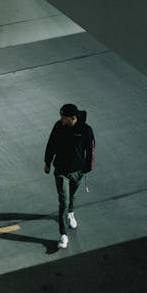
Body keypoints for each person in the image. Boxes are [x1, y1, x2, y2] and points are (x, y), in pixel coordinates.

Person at [43, 103, 95, 249]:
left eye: (64, 118)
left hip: (78, 172)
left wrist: (87, 168)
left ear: (73, 118)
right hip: (61, 171)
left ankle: (70, 213)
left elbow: (91, 149)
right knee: (63, 201)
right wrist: (47, 162)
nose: (61, 120)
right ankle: (63, 234)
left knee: (71, 197)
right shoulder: (59, 126)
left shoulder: (86, 130)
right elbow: (51, 143)